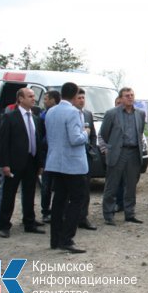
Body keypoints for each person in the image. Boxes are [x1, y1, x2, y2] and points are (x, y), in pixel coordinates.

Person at [45, 82, 89, 254]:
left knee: (58, 200)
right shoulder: (74, 112)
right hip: (72, 164)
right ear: (75, 94)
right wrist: (86, 132)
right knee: (77, 200)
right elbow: (75, 139)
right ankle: (67, 238)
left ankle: (55, 239)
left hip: (55, 161)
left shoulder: (51, 111)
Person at [0, 87, 46, 238]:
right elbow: (3, 142)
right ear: (20, 99)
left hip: (31, 162)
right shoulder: (10, 117)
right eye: (30, 96)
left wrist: (39, 164)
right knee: (9, 194)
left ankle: (29, 223)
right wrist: (5, 164)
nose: (33, 99)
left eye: (34, 96)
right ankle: (4, 225)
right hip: (14, 162)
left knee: (29, 193)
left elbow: (38, 142)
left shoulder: (36, 118)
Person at [100, 87, 146, 225]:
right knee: (112, 185)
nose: (130, 97)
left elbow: (140, 132)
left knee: (131, 186)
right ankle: (108, 215)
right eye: (127, 95)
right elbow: (104, 133)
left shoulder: (140, 114)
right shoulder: (111, 113)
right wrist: (113, 146)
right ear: (120, 98)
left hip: (133, 153)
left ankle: (130, 213)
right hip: (118, 153)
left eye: (132, 95)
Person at [74, 88, 97, 231]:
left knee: (85, 189)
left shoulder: (88, 114)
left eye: (83, 97)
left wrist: (92, 149)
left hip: (86, 157)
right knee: (72, 190)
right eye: (79, 98)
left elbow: (93, 135)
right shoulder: (70, 114)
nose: (82, 100)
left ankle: (83, 217)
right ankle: (69, 216)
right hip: (73, 158)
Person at [40, 90, 60, 223]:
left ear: (54, 100)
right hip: (46, 155)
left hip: (59, 156)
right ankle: (45, 211)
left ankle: (57, 211)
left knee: (59, 186)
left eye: (46, 99)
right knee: (46, 186)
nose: (44, 102)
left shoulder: (62, 114)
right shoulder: (43, 116)